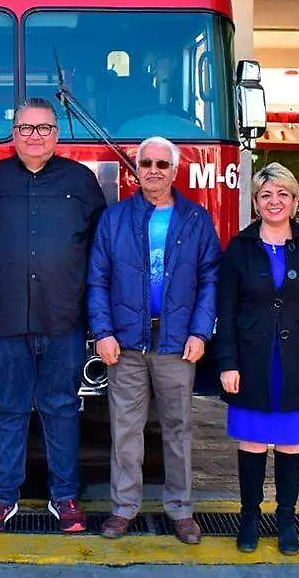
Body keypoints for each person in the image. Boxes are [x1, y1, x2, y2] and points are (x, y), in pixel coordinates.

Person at [0, 98, 107, 533]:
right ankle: (1, 498)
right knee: (5, 409)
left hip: (63, 320)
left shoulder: (81, 181)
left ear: (57, 134)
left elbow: (100, 254)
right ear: (13, 133)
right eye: (25, 129)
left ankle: (64, 498)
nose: (34, 136)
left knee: (62, 409)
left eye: (43, 128)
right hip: (2, 321)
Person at [87, 136, 221, 545]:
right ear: (136, 168)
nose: (154, 170)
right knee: (125, 430)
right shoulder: (115, 219)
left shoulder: (196, 219)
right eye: (146, 162)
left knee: (179, 429)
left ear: (175, 170)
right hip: (126, 342)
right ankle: (123, 509)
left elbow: (210, 279)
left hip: (176, 341)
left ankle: (180, 510)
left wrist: (200, 331)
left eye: (163, 164)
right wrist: (103, 332)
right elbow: (98, 278)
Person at [214, 162, 299, 556]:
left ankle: (286, 519)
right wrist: (227, 363)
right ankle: (249, 517)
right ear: (255, 202)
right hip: (251, 360)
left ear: (294, 201)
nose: (274, 201)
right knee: (252, 443)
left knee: (289, 445)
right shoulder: (239, 248)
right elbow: (226, 309)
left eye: (282, 194)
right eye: (266, 195)